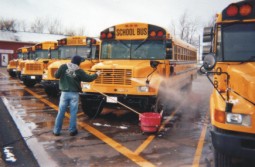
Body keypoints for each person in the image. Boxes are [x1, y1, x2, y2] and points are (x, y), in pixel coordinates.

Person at [53, 55, 101, 136]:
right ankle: (72, 130)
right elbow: (88, 78)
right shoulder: (79, 71)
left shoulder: (63, 67)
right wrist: (97, 74)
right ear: (78, 62)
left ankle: (56, 131)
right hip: (74, 94)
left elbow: (56, 76)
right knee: (73, 113)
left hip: (64, 94)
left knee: (61, 112)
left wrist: (57, 72)